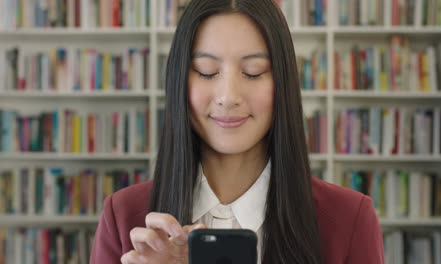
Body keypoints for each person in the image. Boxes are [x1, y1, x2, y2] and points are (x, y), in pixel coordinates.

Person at [90, 0, 385, 263]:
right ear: (180, 80)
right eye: (206, 71)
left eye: (254, 71)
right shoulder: (124, 216)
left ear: (282, 82)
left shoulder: (350, 218)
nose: (228, 96)